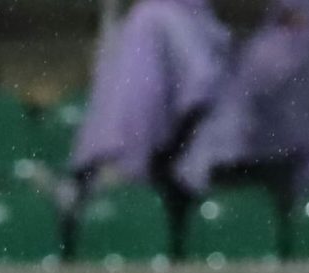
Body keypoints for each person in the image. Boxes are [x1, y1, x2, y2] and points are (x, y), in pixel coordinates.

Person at [175, 0, 309, 200]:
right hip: (254, 169)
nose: (295, 20)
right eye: (288, 12)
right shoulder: (267, 50)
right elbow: (230, 121)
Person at [67, 0, 232, 196]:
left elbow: (202, 88)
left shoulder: (155, 15)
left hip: (175, 171)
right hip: (154, 168)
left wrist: (161, 161)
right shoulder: (145, 16)